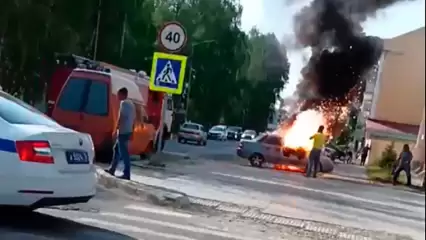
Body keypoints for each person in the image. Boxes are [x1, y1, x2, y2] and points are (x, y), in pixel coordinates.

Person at [105, 87, 136, 180]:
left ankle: (127, 173)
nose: (118, 96)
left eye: (119, 94)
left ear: (123, 94)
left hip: (123, 131)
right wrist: (132, 131)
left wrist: (115, 129)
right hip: (128, 130)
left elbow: (121, 117)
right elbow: (134, 119)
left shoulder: (124, 103)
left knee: (124, 152)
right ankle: (112, 168)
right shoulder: (131, 104)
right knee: (117, 149)